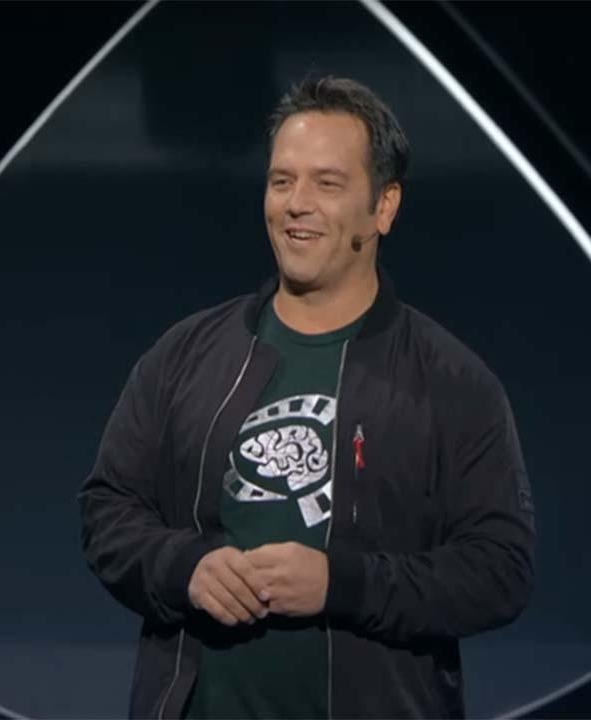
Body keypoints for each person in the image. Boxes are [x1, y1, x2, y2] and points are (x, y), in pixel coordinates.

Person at [78, 75, 536, 719]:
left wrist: (341, 584)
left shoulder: (452, 383)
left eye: (327, 183)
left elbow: (499, 571)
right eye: (281, 181)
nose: (296, 204)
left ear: (384, 207)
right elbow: (108, 511)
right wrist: (186, 568)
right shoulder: (184, 355)